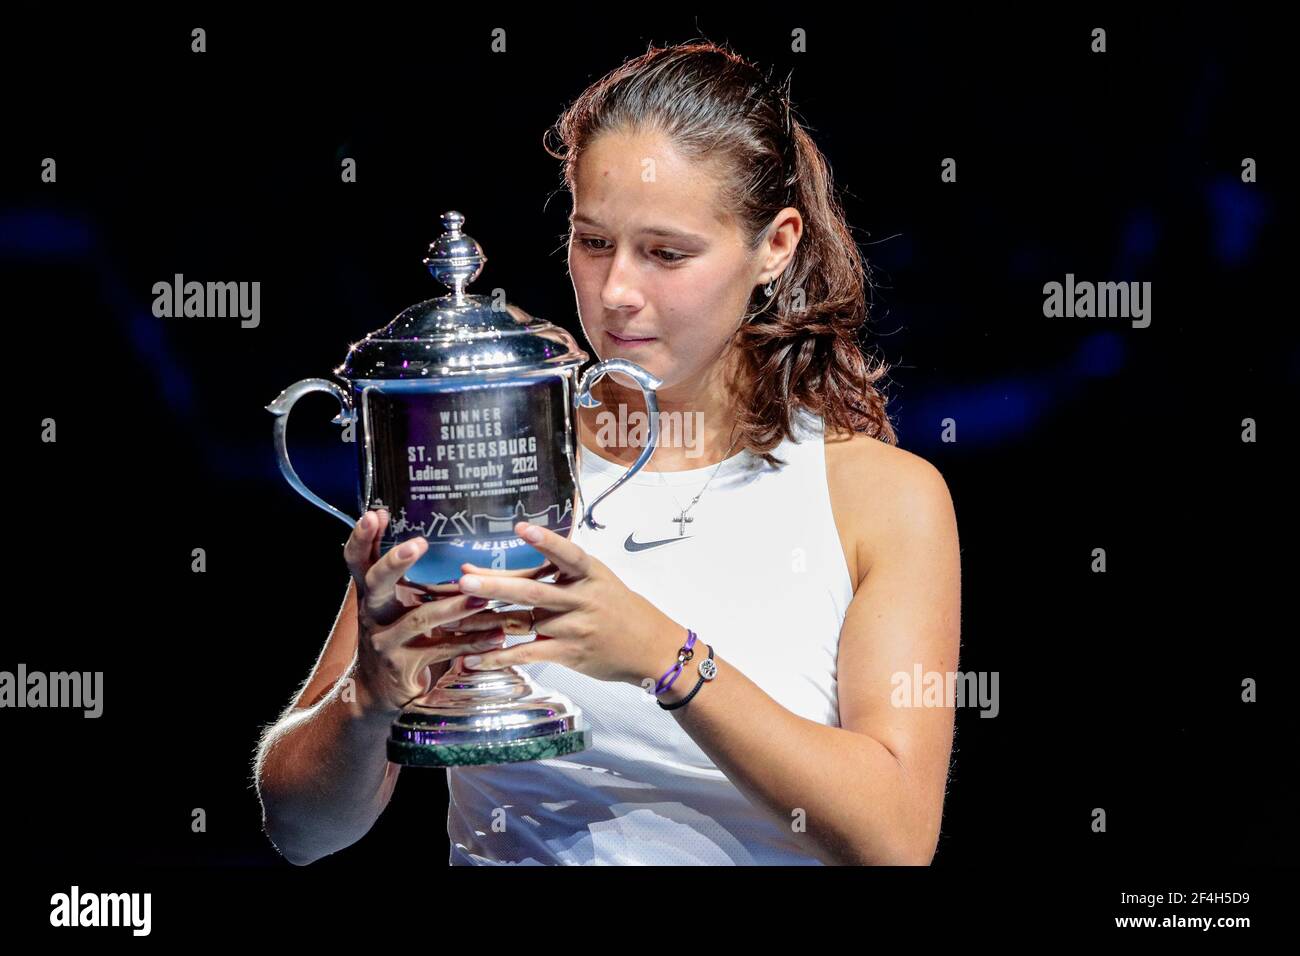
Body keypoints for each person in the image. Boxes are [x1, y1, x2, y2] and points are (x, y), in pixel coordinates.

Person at [254, 39, 961, 866]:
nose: (618, 290)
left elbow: (897, 839)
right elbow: (301, 831)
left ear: (776, 245)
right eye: (594, 243)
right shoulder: (491, 446)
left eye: (667, 253)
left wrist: (661, 656)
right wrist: (369, 699)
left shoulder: (882, 498)